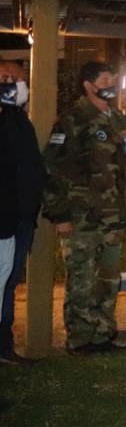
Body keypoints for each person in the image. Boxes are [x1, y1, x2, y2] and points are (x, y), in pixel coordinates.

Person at [41, 61, 126, 355]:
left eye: (113, 78)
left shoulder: (118, 120)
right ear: (89, 84)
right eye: (105, 79)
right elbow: (53, 167)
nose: (111, 84)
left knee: (108, 279)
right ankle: (80, 339)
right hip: (83, 216)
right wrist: (59, 213)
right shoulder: (74, 118)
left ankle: (103, 335)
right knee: (82, 279)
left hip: (113, 217)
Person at [0, 62, 45, 365]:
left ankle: (4, 345)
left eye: (19, 79)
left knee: (9, 281)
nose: (16, 84)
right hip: (3, 218)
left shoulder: (20, 121)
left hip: (20, 219)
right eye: (7, 79)